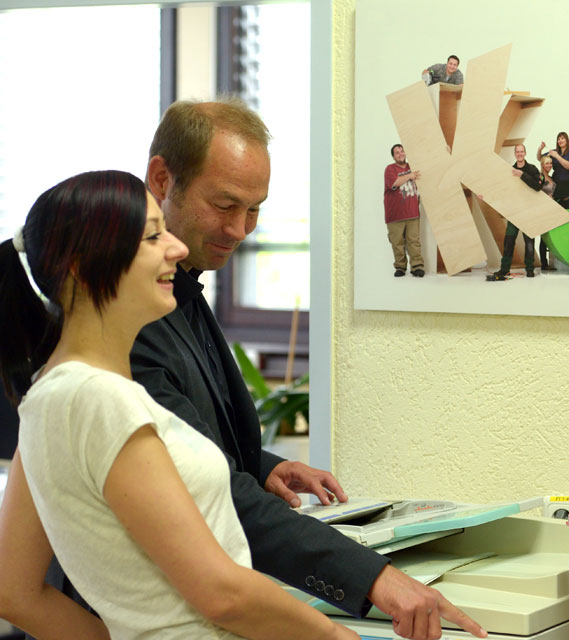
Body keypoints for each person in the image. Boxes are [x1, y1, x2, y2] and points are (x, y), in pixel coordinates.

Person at [135, 99, 486, 640]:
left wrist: (261, 462)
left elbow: (194, 435)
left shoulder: (184, 283)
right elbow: (201, 487)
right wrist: (374, 581)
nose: (241, 229)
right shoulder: (132, 316)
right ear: (162, 178)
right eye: (225, 204)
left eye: (255, 209)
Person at [0, 170, 360, 638]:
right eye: (152, 236)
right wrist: (339, 636)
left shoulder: (52, 392)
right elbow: (221, 594)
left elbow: (13, 589)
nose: (177, 249)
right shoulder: (100, 400)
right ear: (81, 267)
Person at [488, 144, 540, 281]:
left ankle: (530, 269)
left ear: (525, 153)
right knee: (509, 241)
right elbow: (502, 190)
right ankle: (504, 269)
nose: (520, 154)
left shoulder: (531, 169)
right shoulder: (509, 170)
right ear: (515, 153)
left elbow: (537, 186)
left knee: (529, 242)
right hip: (514, 213)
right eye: (517, 152)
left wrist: (522, 174)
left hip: (528, 211)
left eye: (522, 151)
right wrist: (485, 196)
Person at [537, 132, 569, 267]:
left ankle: (567, 257)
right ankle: (549, 260)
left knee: (567, 221)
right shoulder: (553, 153)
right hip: (556, 191)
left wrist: (556, 156)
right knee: (553, 223)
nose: (560, 140)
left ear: (567, 140)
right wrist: (540, 149)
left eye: (563, 138)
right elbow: (540, 159)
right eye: (558, 139)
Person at [384, 143, 425, 277]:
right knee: (397, 243)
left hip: (412, 212)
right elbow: (395, 183)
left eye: (402, 151)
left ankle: (417, 267)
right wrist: (410, 176)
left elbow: (429, 163)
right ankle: (400, 267)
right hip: (395, 214)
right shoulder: (390, 169)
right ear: (393, 156)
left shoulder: (412, 166)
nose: (400, 154)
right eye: (397, 152)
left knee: (414, 241)